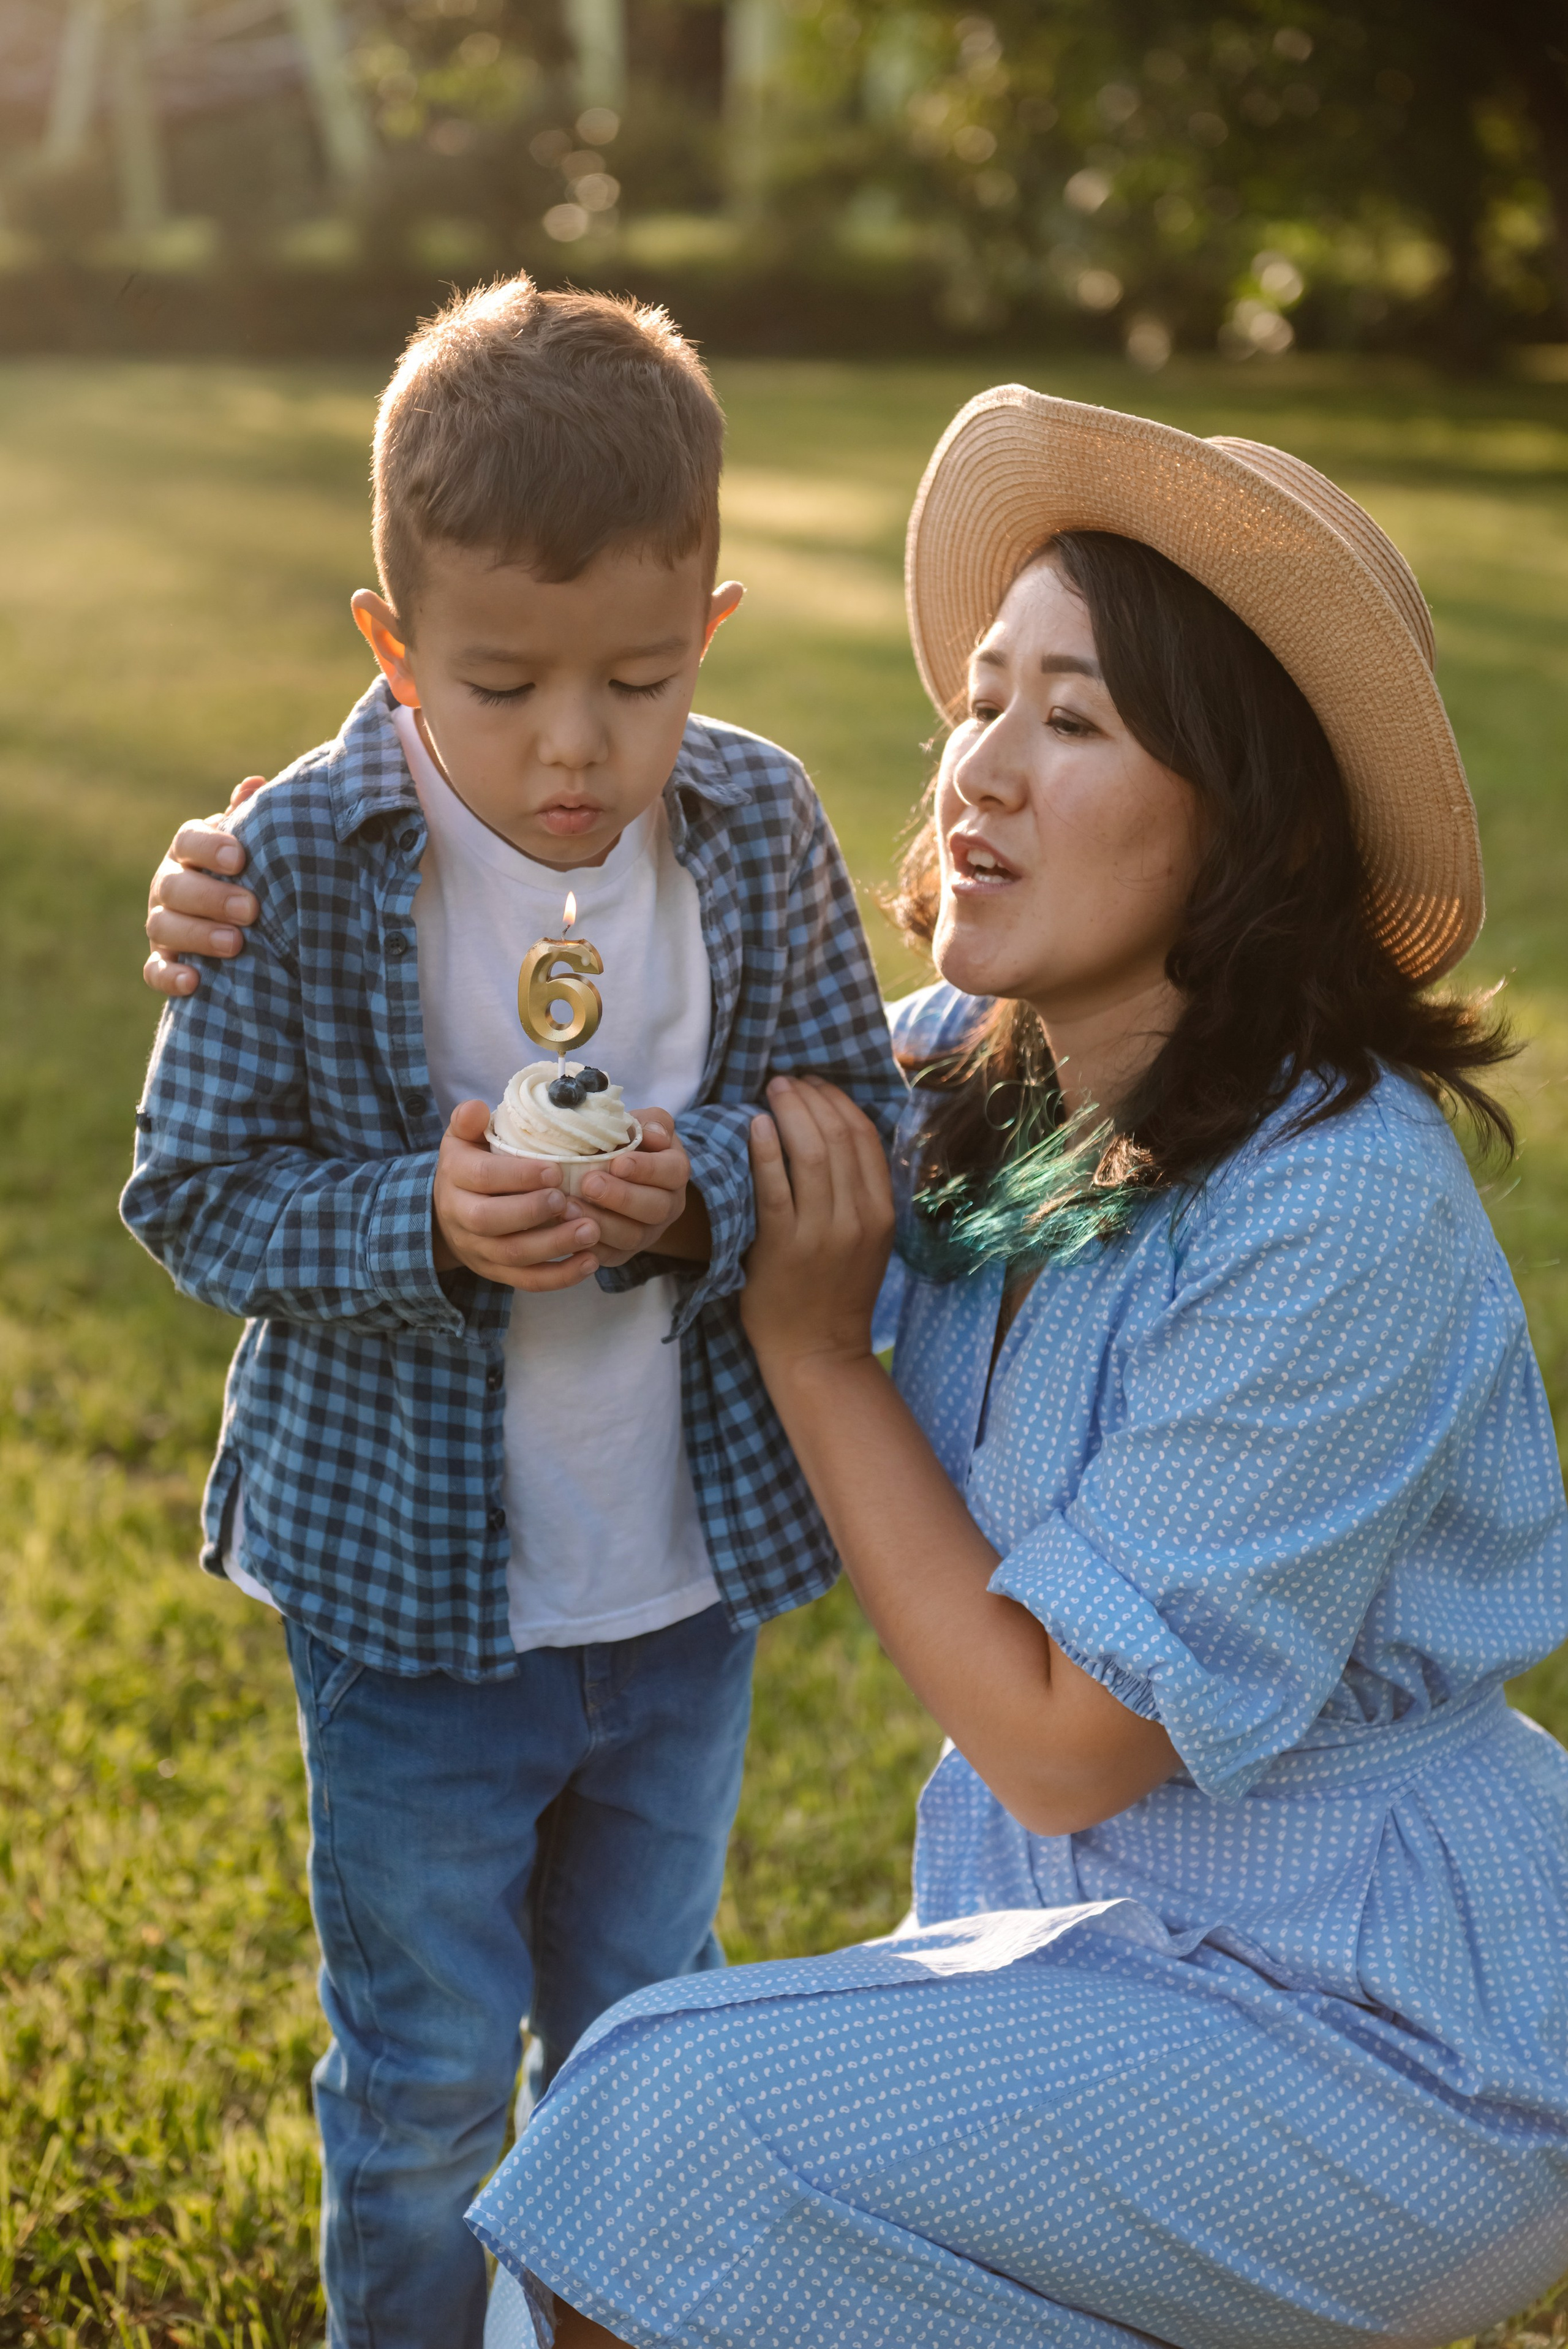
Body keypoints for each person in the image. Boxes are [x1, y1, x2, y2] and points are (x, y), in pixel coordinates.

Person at [457, 390, 1568, 2349]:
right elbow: (618, 1050)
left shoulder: (1341, 1204)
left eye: (1073, 720)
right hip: (1092, 1949)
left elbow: (1063, 1737)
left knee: (656, 2124)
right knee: (659, 2170)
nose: (977, 765)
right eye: (981, 701)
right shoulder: (980, 1070)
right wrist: (279, 879)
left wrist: (822, 1351)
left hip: (1388, 2033)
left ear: (1247, 821)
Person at [121, 275, 901, 2349]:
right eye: (501, 682)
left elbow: (862, 1111)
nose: (577, 745)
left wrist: (702, 1185)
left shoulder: (757, 822)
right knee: (425, 2085)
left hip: (674, 1600)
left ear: (709, 626)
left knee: (643, 2059)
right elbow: (192, 1192)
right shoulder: (291, 857)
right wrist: (426, 1221)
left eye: (641, 678)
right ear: (392, 649)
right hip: (409, 1621)